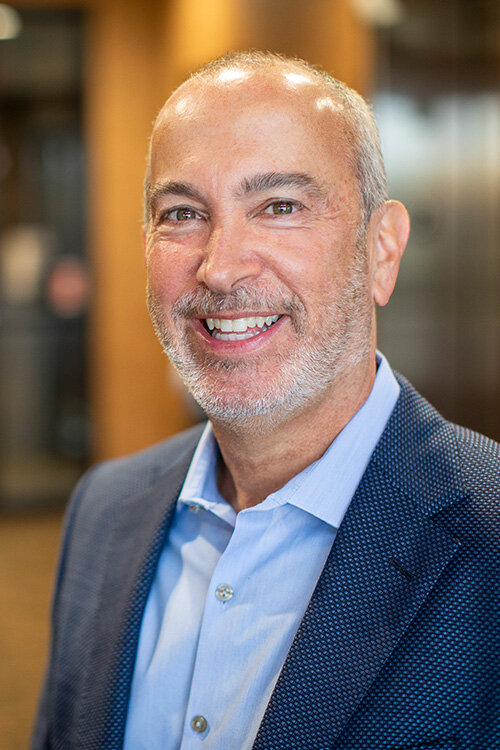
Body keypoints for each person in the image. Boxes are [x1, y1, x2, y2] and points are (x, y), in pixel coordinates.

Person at [33, 51, 499, 750]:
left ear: (382, 250)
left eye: (280, 206)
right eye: (182, 213)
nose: (221, 268)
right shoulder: (104, 512)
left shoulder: (488, 538)